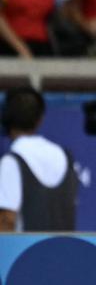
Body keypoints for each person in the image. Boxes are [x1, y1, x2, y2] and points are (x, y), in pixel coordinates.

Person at [0, 87, 77, 231]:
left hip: (25, 252)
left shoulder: (11, 162)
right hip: (65, 250)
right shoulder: (64, 156)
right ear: (40, 119)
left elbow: (6, 220)